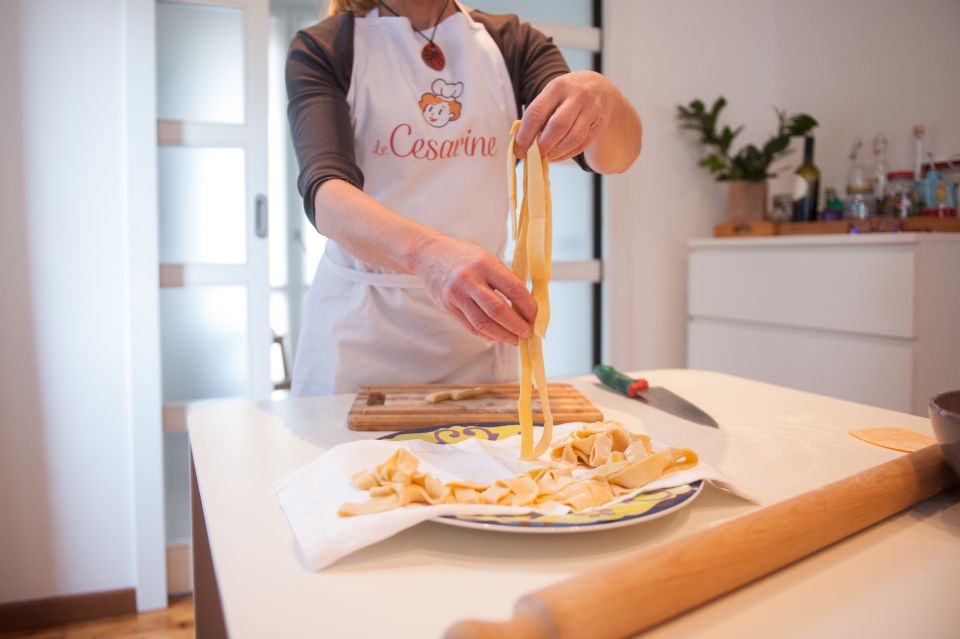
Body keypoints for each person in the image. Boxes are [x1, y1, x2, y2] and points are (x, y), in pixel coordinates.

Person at [287, 0, 641, 395]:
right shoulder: (326, 48)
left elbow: (613, 157)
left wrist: (605, 99)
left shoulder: (513, 44)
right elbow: (327, 194)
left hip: (478, 341)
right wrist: (425, 254)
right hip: (360, 342)